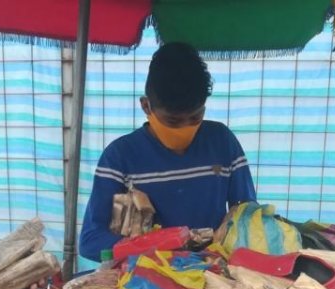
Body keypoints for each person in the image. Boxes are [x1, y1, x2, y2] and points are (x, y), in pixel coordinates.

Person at [78, 42, 257, 262]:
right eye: (172, 121)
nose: (185, 128)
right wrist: (159, 244)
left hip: (213, 272)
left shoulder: (222, 142)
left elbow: (249, 219)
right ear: (146, 106)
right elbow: (90, 241)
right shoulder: (119, 157)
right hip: (146, 276)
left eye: (195, 117)